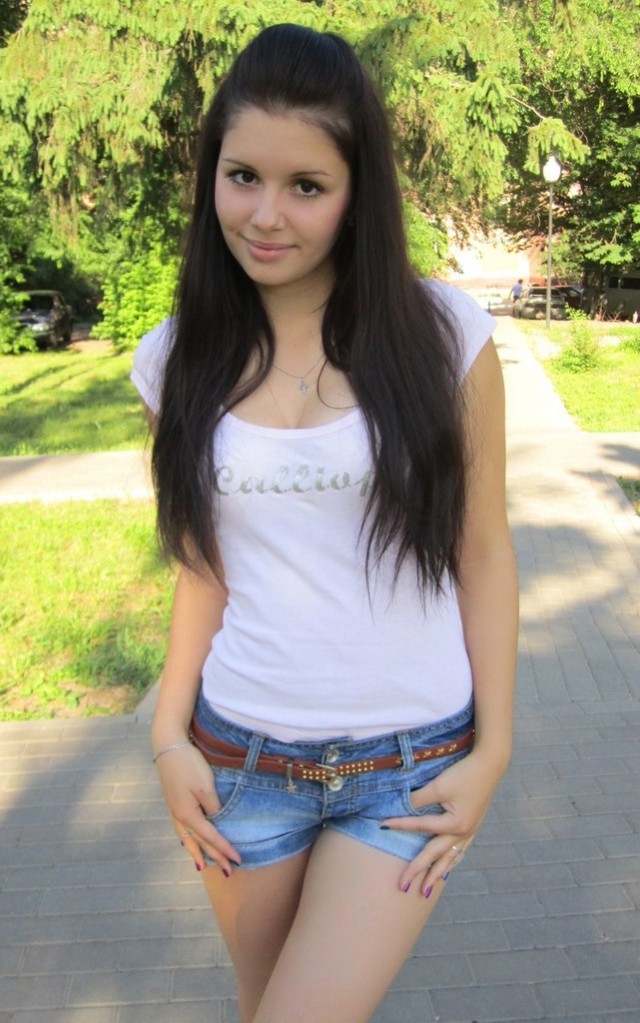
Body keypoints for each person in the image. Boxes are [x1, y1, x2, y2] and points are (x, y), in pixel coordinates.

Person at [131, 23, 518, 1023]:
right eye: (242, 176)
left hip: (408, 771)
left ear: (357, 195)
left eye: (306, 185)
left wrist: (494, 749)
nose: (265, 214)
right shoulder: (172, 360)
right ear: (212, 176)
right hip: (238, 764)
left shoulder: (443, 337)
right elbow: (203, 569)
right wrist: (168, 735)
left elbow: (483, 550)